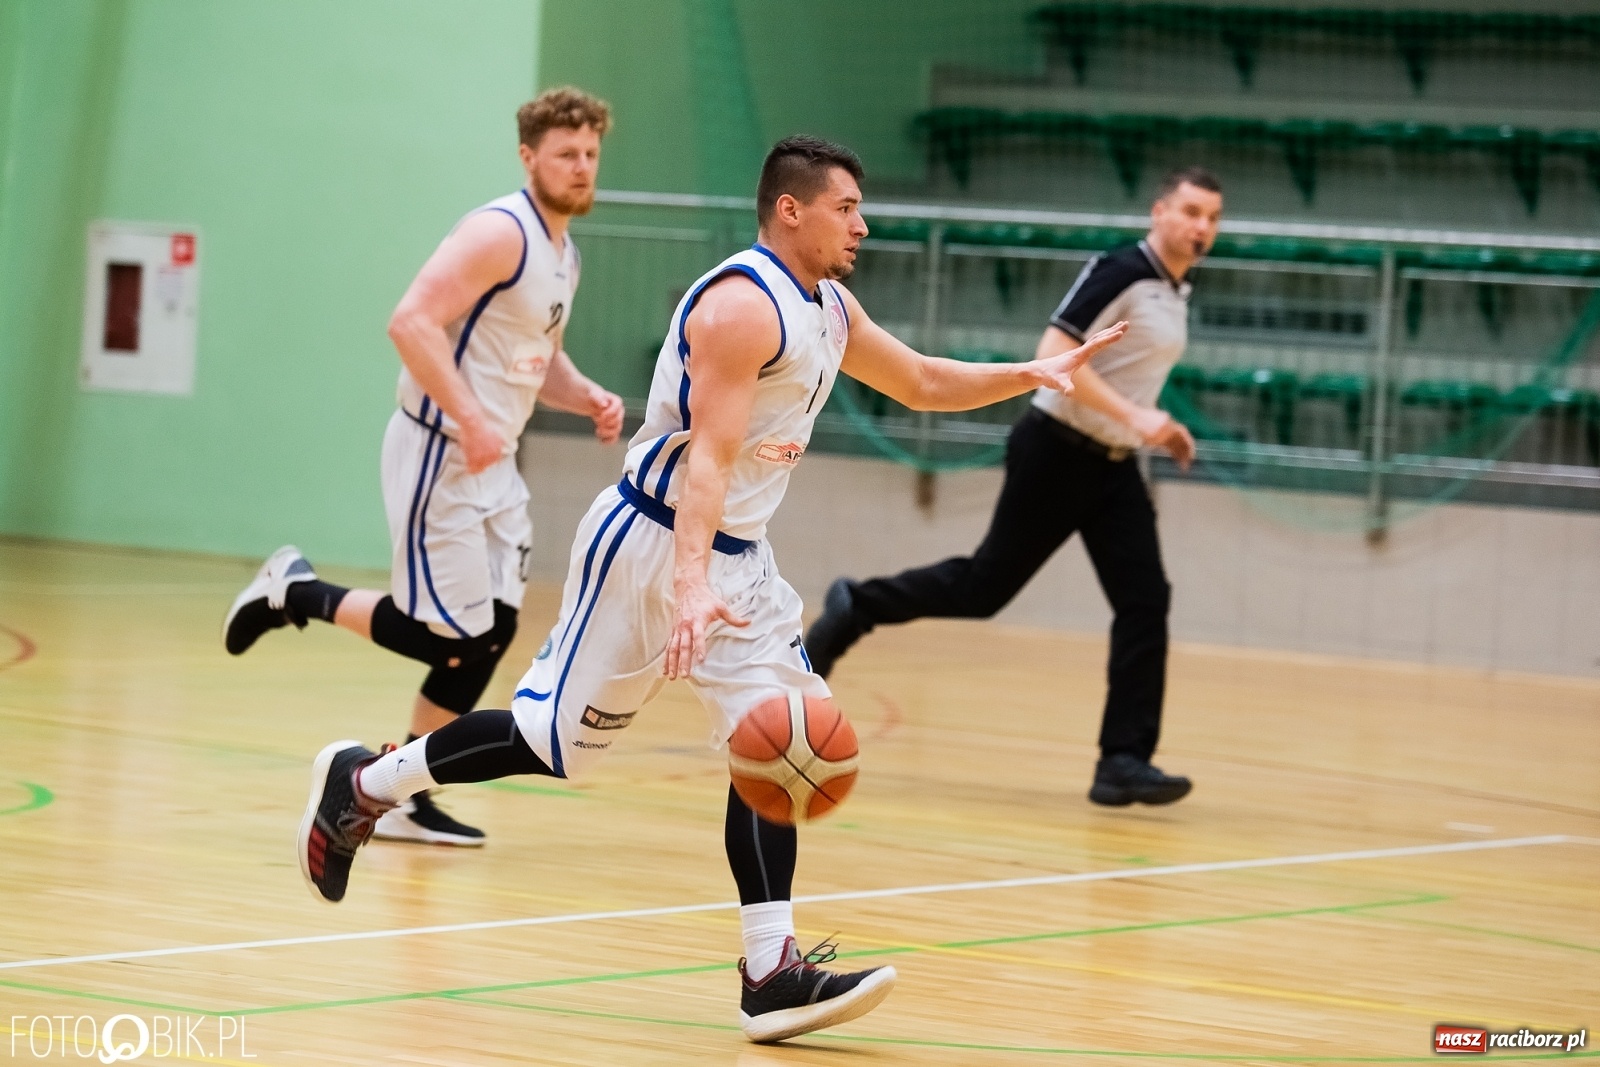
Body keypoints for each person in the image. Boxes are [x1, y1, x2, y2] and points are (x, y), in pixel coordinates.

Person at [293, 135, 1127, 1043]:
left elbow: (920, 380)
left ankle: (770, 969)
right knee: (552, 743)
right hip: (647, 546)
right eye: (847, 207)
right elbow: (710, 462)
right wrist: (690, 589)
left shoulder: (831, 309)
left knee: (774, 732)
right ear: (790, 210)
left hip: (741, 558)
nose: (863, 222)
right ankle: (366, 780)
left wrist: (1029, 375)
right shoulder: (740, 308)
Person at [224, 88, 625, 846]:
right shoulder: (499, 231)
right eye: (566, 153)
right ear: (528, 156)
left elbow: (533, 359)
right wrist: (470, 418)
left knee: (494, 630)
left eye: (590, 155)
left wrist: (587, 397)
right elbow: (410, 321)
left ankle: (405, 791)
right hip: (440, 451)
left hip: (494, 464)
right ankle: (294, 591)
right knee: (449, 636)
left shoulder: (563, 252)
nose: (580, 167)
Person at [804, 167, 1223, 809]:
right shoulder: (1122, 271)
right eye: (1191, 212)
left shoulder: (1174, 290)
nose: (1201, 227)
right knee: (985, 588)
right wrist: (1139, 417)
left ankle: (1122, 762)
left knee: (1145, 599)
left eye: (1212, 218)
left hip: (1112, 467)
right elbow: (1056, 352)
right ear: (1160, 211)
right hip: (1056, 452)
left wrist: (1147, 427)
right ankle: (857, 605)